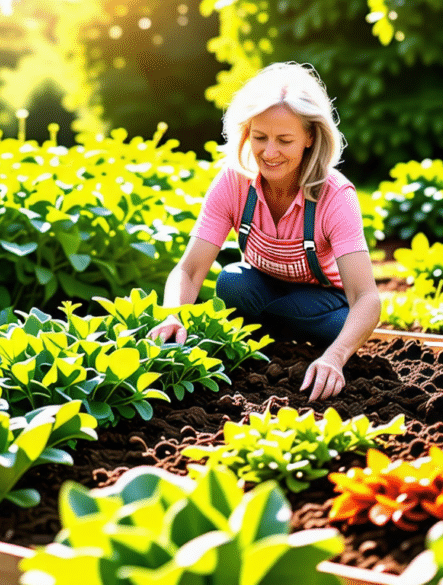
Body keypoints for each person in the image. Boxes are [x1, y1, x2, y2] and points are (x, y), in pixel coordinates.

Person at [149, 62, 380, 402]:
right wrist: (172, 314)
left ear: (309, 137)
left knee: (338, 328)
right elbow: (190, 269)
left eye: (284, 140)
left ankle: (290, 338)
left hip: (323, 305)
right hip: (261, 289)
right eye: (260, 138)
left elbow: (367, 298)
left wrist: (336, 356)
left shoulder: (335, 196)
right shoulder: (233, 182)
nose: (269, 153)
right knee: (232, 283)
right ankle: (269, 345)